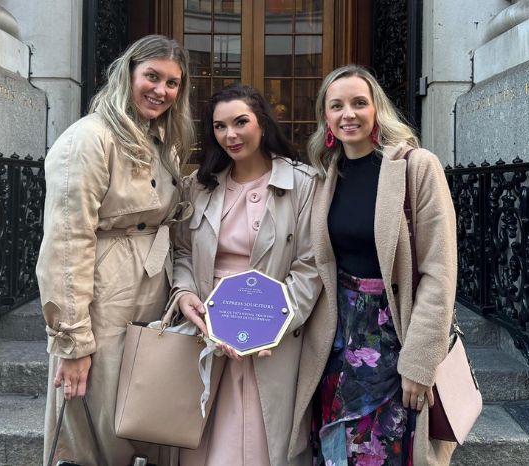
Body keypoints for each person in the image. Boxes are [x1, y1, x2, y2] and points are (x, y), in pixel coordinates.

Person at [36, 34, 195, 466]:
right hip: (103, 290)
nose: (161, 90)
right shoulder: (87, 139)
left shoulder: (164, 142)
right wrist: (71, 342)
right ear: (129, 74)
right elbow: (67, 244)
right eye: (152, 76)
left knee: (141, 413)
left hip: (153, 284)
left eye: (173, 83)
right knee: (95, 419)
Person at [291, 65, 458, 465]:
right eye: (337, 106)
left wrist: (421, 361)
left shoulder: (417, 166)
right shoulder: (325, 177)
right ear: (326, 118)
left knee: (383, 449)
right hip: (336, 336)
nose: (348, 113)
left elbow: (439, 271)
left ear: (376, 110)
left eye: (358, 103)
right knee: (334, 448)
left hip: (395, 333)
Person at [169, 84, 323, 466]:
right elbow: (183, 251)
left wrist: (270, 324)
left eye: (241, 122)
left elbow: (310, 265)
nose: (230, 135)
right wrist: (185, 294)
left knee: (262, 442)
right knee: (201, 441)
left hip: (272, 332)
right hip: (206, 329)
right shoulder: (198, 186)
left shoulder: (303, 184)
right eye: (220, 127)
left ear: (262, 123)